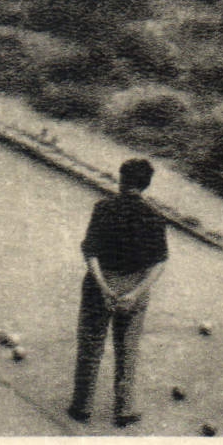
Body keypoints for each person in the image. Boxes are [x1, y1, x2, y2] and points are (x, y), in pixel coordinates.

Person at [67, 158, 167, 428]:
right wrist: (135, 292)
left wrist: (102, 286)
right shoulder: (155, 217)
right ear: (146, 185)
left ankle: (82, 406)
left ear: (121, 179)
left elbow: (90, 251)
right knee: (127, 348)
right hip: (135, 285)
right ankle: (124, 408)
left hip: (101, 283)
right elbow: (159, 262)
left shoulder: (103, 209)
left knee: (91, 345)